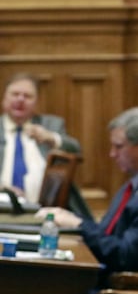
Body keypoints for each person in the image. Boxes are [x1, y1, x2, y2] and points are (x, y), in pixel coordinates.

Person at [37, 107, 138, 294]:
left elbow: (124, 255)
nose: (112, 154)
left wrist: (79, 225)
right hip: (103, 289)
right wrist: (75, 220)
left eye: (118, 147)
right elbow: (106, 234)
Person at [0, 72, 81, 202]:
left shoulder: (51, 124)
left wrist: (51, 138)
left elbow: (76, 150)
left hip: (46, 209)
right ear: (4, 98)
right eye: (15, 94)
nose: (20, 99)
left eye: (27, 96)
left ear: (36, 102)